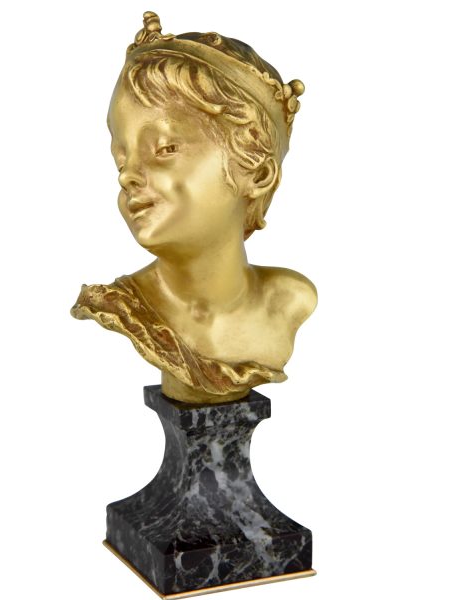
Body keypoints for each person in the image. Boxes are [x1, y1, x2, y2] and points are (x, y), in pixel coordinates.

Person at [71, 12, 317, 403]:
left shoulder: (292, 298)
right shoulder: (127, 306)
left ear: (257, 173)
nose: (128, 176)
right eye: (121, 159)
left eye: (164, 149)